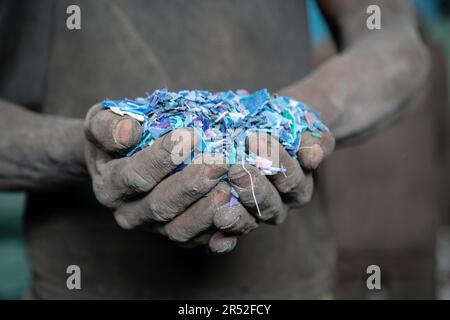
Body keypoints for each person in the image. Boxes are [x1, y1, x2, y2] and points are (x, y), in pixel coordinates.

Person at [0, 0, 429, 299]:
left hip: (284, 283)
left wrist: (291, 121)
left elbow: (394, 43)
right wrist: (85, 148)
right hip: (78, 283)